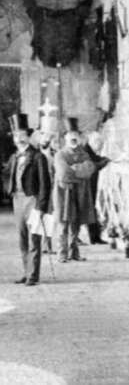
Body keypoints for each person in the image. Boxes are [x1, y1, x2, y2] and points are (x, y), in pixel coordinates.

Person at [6, 114, 51, 286]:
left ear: (29, 136)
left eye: (23, 135)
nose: (20, 139)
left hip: (32, 200)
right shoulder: (15, 157)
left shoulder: (38, 157)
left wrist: (41, 206)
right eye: (17, 136)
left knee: (34, 238)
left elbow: (45, 184)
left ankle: (33, 275)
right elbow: (6, 174)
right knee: (22, 238)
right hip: (17, 200)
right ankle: (26, 272)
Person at [52, 117, 97, 263]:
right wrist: (80, 172)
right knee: (63, 223)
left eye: (76, 135)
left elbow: (90, 170)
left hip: (79, 192)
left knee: (76, 223)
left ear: (79, 137)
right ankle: (62, 253)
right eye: (70, 135)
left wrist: (75, 171)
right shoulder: (60, 155)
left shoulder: (84, 154)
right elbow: (64, 174)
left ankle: (74, 252)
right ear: (65, 137)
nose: (73, 137)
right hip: (63, 193)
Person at [82, 131, 110, 244]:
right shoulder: (85, 151)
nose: (101, 147)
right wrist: (103, 163)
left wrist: (104, 159)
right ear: (95, 142)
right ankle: (94, 238)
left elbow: (95, 158)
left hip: (89, 186)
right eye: (100, 145)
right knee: (89, 210)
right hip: (86, 186)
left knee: (90, 210)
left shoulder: (88, 150)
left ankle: (94, 237)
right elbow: (92, 166)